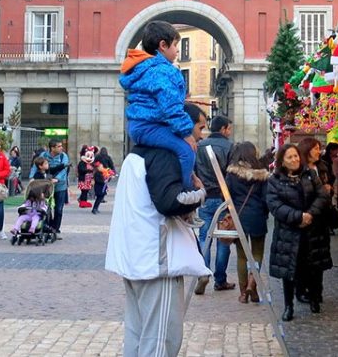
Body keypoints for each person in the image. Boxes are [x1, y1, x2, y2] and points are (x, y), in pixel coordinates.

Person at [106, 103, 210, 357]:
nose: (200, 135)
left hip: (138, 258)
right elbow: (169, 201)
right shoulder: (164, 155)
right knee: (161, 338)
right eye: (199, 127)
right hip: (156, 262)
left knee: (138, 334)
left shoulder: (138, 153)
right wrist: (200, 194)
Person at [119, 20, 197, 190]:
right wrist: (186, 133)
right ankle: (184, 193)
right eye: (176, 45)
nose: (177, 50)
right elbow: (170, 106)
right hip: (151, 126)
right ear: (163, 45)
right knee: (186, 151)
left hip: (139, 126)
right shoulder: (163, 71)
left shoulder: (144, 69)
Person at [267, 143, 332, 322]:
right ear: (282, 161)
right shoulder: (275, 180)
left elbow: (322, 196)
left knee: (311, 266)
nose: (294, 160)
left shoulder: (310, 175)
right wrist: (298, 217)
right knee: (289, 271)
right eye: (289, 157)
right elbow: (275, 205)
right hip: (288, 232)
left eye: (296, 156)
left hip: (311, 230)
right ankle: (289, 306)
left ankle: (313, 298)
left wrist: (309, 214)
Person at [194, 115, 235, 295]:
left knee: (205, 237)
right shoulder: (230, 147)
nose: (230, 132)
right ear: (224, 129)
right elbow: (232, 175)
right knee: (223, 240)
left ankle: (203, 273)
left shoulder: (200, 146)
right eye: (229, 129)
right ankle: (220, 279)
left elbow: (194, 172)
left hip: (204, 197)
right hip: (223, 198)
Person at [225, 141, 270, 304]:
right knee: (257, 253)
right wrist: (264, 214)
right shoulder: (262, 175)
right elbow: (266, 199)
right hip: (257, 216)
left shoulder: (231, 174)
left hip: (239, 216)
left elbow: (227, 196)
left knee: (241, 257)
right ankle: (253, 285)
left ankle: (243, 293)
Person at [30, 140, 70, 236]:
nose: (61, 148)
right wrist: (32, 177)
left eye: (61, 146)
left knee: (58, 209)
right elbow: (35, 166)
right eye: (59, 146)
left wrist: (57, 179)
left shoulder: (63, 156)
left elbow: (64, 169)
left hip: (60, 186)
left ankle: (56, 228)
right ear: (52, 148)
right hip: (46, 187)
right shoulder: (43, 155)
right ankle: (47, 227)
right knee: (45, 207)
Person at [92, 147, 116, 214]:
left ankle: (95, 208)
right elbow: (112, 166)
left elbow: (93, 164)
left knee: (100, 193)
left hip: (98, 176)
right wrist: (112, 173)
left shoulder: (97, 157)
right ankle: (95, 208)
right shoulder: (108, 157)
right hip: (105, 176)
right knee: (102, 193)